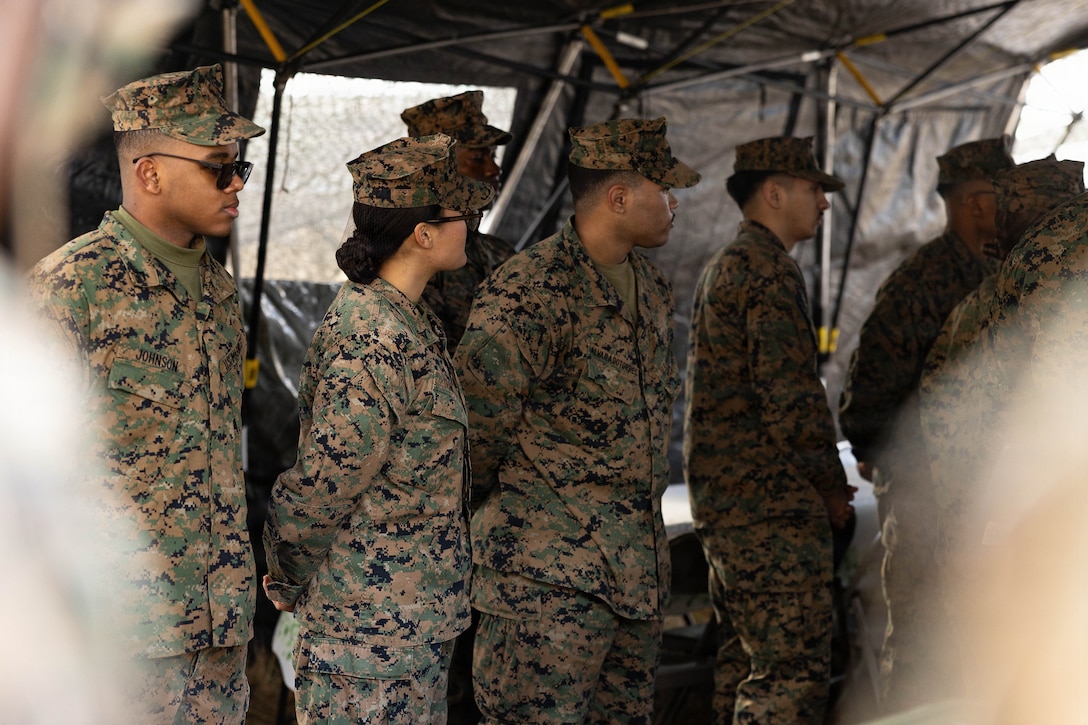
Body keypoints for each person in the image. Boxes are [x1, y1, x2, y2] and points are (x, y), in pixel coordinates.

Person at [25, 64, 265, 724]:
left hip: (217, 633)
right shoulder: (72, 288)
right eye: (218, 166)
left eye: (241, 163)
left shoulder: (218, 295)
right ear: (151, 172)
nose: (237, 181)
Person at [454, 116, 700, 724]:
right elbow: (474, 439)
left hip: (634, 579)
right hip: (545, 585)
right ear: (618, 197)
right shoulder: (529, 292)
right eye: (663, 189)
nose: (675, 202)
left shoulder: (652, 287)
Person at [261, 133, 492, 725]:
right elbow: (323, 485)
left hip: (408, 626)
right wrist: (288, 578)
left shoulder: (407, 320)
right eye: (460, 213)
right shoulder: (374, 340)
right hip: (364, 638)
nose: (473, 222)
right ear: (423, 233)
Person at [837, 136, 1014, 712]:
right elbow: (867, 396)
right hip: (925, 498)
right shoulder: (922, 282)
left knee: (982, 640)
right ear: (972, 203)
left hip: (984, 495)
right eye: (998, 193)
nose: (1008, 205)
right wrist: (902, 466)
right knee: (919, 640)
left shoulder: (1007, 273)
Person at [684, 136, 854, 724]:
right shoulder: (765, 270)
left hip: (734, 505)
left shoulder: (732, 264)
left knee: (742, 667)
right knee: (787, 677)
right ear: (775, 193)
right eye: (814, 190)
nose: (824, 204)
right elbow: (792, 397)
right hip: (769, 511)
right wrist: (831, 486)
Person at [402, 90, 514, 350]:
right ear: (435, 169)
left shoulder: (500, 252)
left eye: (493, 156)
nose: (493, 169)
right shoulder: (409, 259)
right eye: (477, 158)